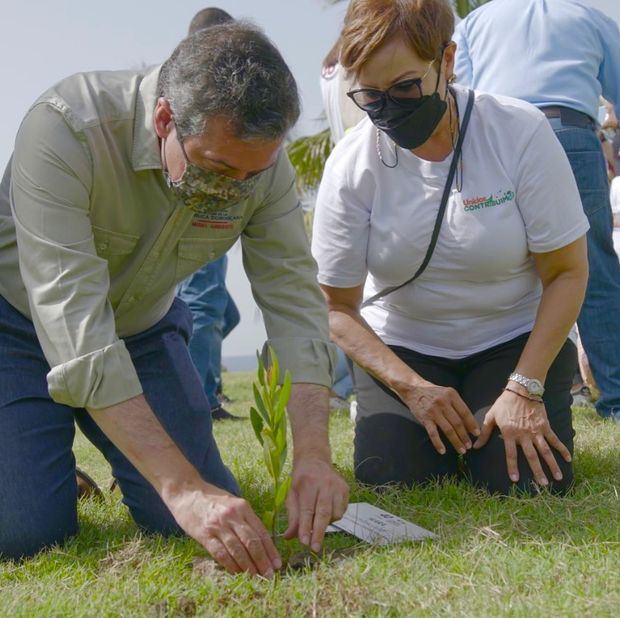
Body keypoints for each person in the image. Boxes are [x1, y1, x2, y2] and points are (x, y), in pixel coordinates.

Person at [0, 22, 349, 573]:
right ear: (165, 120)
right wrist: (181, 487)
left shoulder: (259, 161)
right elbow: (76, 331)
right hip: (16, 328)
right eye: (219, 170)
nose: (237, 190)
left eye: (250, 176)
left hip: (142, 331)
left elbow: (294, 300)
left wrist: (312, 453)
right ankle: (39, 462)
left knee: (182, 517)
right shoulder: (65, 129)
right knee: (23, 530)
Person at [312, 0, 589, 495]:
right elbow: (337, 308)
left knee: (524, 483)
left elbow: (567, 272)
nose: (389, 108)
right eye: (370, 96)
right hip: (405, 348)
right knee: (395, 480)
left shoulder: (518, 132)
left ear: (447, 61)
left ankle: (497, 406)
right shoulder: (351, 164)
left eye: (405, 88)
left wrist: (524, 386)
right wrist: (411, 389)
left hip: (511, 340)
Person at [453, 0, 620, 422]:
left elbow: (462, 93)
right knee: (593, 269)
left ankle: (502, 388)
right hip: (573, 136)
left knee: (502, 265)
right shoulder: (588, 17)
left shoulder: (476, 21)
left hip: (498, 139)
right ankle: (616, 399)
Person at [175, 7, 243, 421]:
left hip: (202, 211)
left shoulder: (185, 80)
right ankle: (200, 400)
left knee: (220, 311)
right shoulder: (208, 84)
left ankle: (202, 384)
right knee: (204, 305)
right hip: (203, 208)